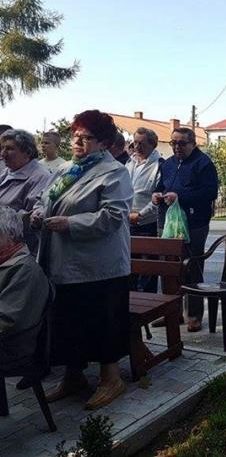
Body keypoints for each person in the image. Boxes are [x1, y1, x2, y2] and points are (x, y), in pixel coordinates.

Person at [31, 109, 133, 411]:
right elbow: (46, 198)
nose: (77, 142)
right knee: (68, 321)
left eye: (86, 137)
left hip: (99, 266)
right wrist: (39, 212)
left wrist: (70, 224)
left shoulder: (114, 172)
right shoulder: (68, 169)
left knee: (102, 322)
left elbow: (113, 216)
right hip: (62, 261)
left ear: (103, 143)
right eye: (75, 135)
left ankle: (111, 379)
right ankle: (73, 377)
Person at [153, 127, 219, 332]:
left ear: (193, 144)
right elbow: (161, 185)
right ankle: (171, 313)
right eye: (173, 143)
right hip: (168, 222)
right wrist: (157, 194)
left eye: (182, 143)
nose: (177, 147)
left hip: (194, 223)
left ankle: (194, 315)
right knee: (169, 269)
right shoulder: (168, 163)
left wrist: (180, 197)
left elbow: (210, 193)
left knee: (192, 268)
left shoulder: (203, 163)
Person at [0, 207, 54, 373]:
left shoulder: (25, 270)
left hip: (9, 349)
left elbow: (7, 321)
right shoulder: (7, 261)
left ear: (10, 235)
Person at [0, 129, 52, 252]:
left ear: (27, 152)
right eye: (2, 148)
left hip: (16, 248)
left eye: (9, 149)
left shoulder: (40, 177)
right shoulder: (6, 172)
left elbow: (31, 218)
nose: (3, 153)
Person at [125, 127, 162, 293]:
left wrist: (140, 215)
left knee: (148, 271)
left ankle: (149, 303)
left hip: (147, 223)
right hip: (126, 221)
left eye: (142, 143)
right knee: (129, 269)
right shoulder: (129, 162)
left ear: (153, 144)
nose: (137, 147)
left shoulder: (159, 165)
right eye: (135, 142)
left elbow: (158, 197)